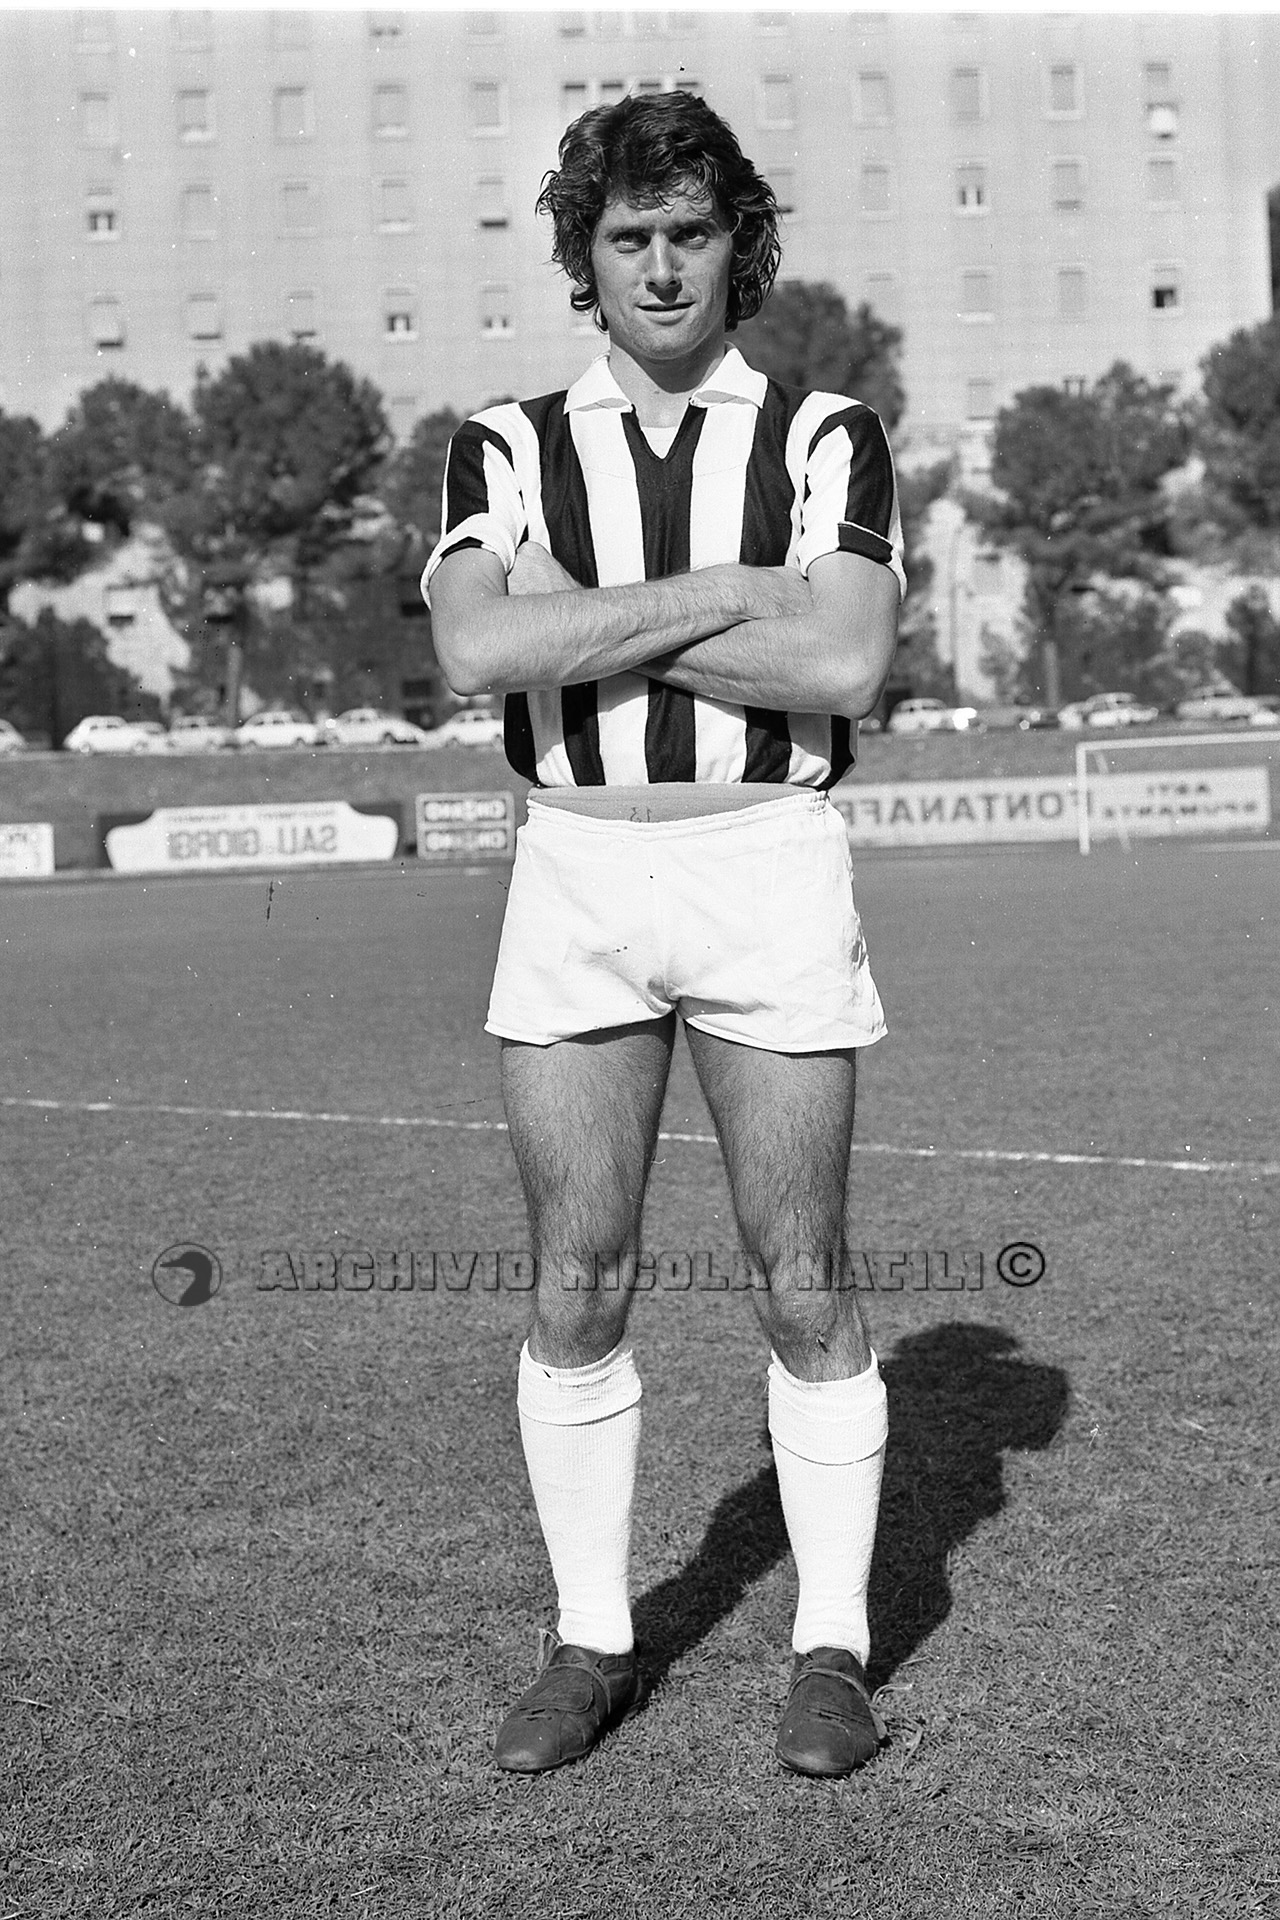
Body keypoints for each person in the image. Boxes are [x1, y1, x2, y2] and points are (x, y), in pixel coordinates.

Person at [424, 90, 904, 1779]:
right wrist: (739, 591)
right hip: (575, 866)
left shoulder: (828, 433)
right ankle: (591, 1642)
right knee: (578, 1272)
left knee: (802, 1274)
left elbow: (844, 666)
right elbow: (476, 657)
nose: (660, 267)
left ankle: (831, 1650)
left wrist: (580, 620)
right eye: (628, 236)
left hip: (766, 857)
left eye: (690, 232)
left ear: (736, 244)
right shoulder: (503, 442)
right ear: (588, 254)